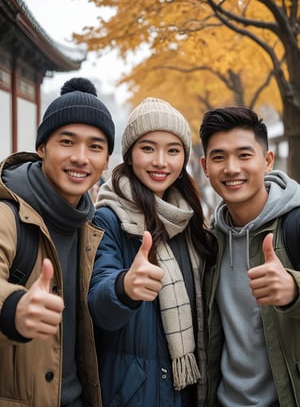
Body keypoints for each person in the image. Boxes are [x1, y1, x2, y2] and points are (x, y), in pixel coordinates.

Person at [88, 97, 216, 407]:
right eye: (148, 148)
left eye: (173, 150)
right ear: (130, 155)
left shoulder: (189, 218)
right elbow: (98, 303)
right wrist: (125, 288)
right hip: (135, 392)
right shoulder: (108, 217)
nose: (161, 161)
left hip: (188, 390)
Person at [0, 77, 115, 407]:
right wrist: (12, 307)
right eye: (67, 142)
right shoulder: (8, 215)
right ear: (42, 148)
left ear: (106, 159)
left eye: (95, 147)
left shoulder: (92, 227)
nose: (81, 158)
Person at [199, 106, 300, 407]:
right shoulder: (209, 241)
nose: (231, 168)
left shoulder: (295, 225)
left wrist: (295, 290)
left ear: (267, 161)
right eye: (219, 157)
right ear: (205, 166)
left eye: (244, 155)